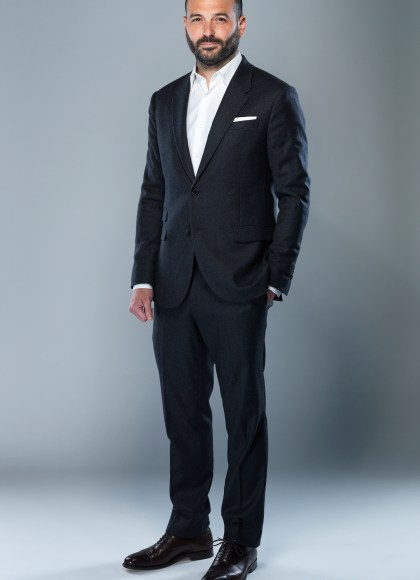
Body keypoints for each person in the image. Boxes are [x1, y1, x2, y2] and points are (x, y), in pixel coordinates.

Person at [123, 0, 310, 578]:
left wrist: (276, 276)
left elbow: (294, 192)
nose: (209, 30)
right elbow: (155, 192)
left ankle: (241, 541)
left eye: (221, 18)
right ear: (185, 24)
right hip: (173, 281)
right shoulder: (163, 101)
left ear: (240, 25)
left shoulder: (272, 96)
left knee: (243, 416)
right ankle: (189, 529)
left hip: (240, 282)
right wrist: (144, 275)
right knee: (183, 413)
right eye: (198, 19)